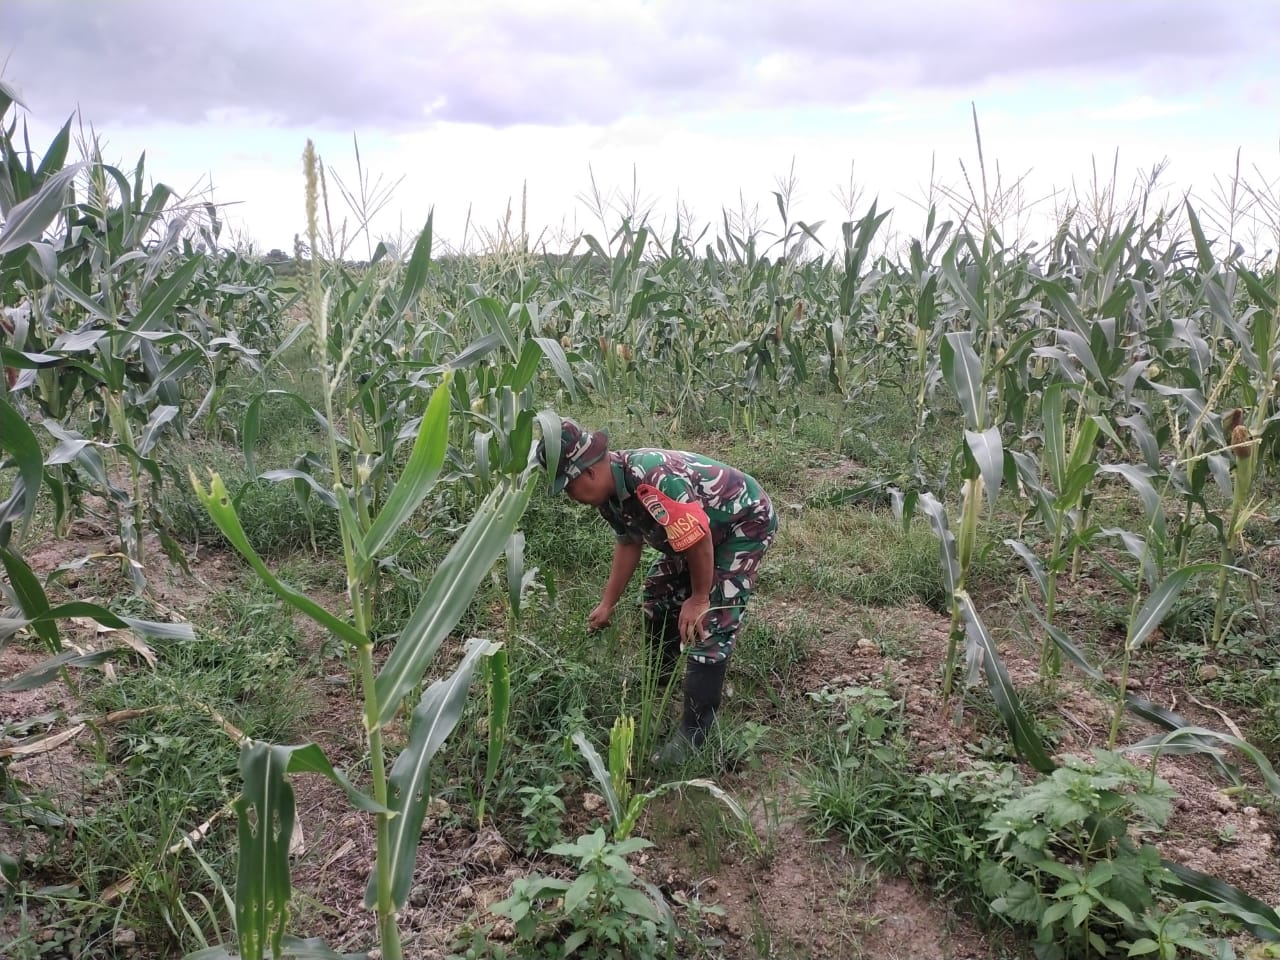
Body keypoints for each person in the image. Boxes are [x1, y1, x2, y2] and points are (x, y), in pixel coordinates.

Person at [537, 417, 777, 765]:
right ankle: (659, 682)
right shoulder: (610, 492)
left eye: (568, 487)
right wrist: (607, 604)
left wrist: (698, 598)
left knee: (710, 618)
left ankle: (696, 733)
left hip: (740, 522)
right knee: (658, 593)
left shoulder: (652, 479)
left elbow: (699, 539)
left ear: (586, 473)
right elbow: (628, 542)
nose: (570, 497)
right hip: (697, 534)